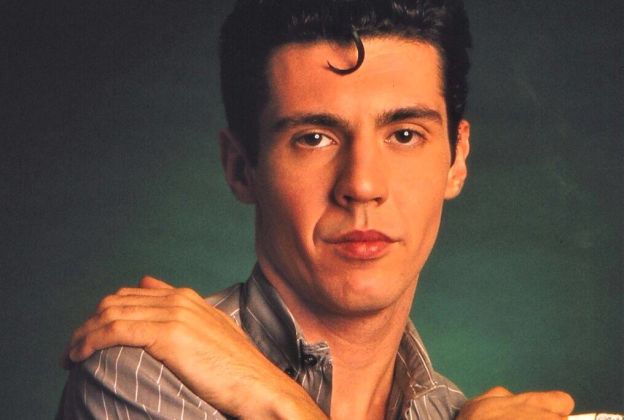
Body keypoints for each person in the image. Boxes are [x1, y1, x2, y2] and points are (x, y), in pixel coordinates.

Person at [56, 0, 576, 419]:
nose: (362, 185)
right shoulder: (144, 373)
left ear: (456, 160)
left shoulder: (458, 412)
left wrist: (273, 398)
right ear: (241, 168)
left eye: (404, 134)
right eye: (314, 137)